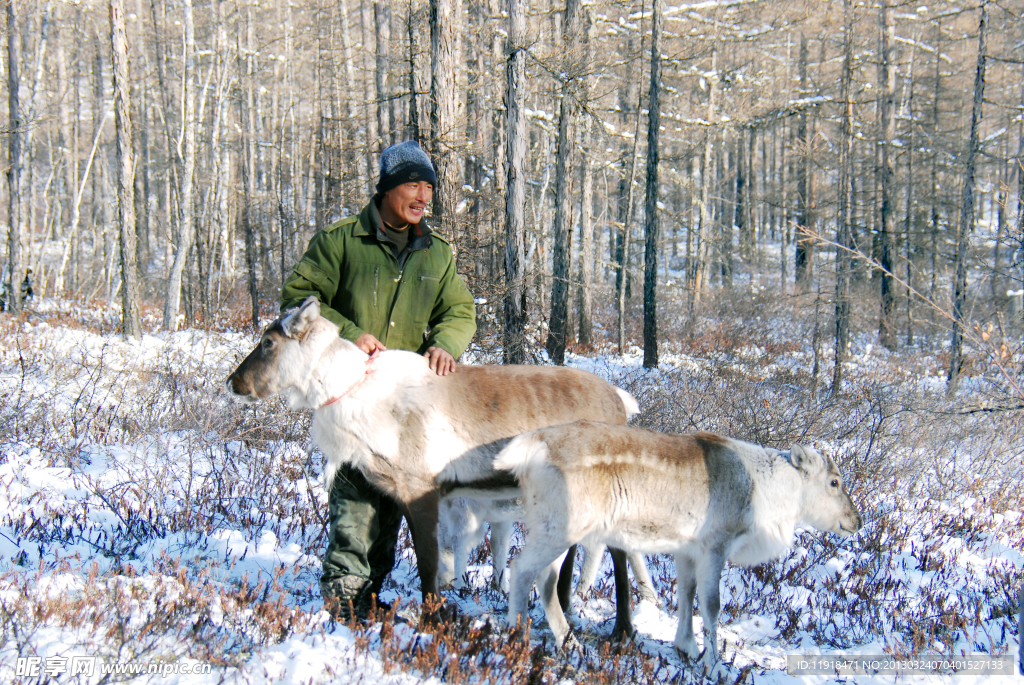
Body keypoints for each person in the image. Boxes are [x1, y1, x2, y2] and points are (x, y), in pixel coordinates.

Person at [280, 140, 476, 620]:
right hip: (347, 395)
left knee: (394, 494)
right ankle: (344, 596)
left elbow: (459, 310)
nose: (422, 196)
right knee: (355, 493)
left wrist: (445, 344)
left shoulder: (436, 254)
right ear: (387, 188)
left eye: (428, 187)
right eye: (412, 184)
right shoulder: (341, 241)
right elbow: (299, 298)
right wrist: (349, 335)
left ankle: (371, 593)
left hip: (402, 401)